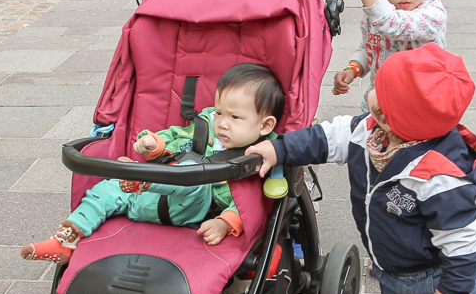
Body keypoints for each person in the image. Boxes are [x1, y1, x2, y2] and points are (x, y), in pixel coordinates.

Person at [247, 44, 476, 294]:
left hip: (435, 274)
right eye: (377, 92)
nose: (372, 104)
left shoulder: (439, 175)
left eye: (382, 107)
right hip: (390, 266)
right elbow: (325, 139)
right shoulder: (372, 131)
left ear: (407, 123)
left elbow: (460, 238)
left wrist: (457, 288)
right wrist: (278, 149)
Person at [21, 64, 283, 264]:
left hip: (188, 207)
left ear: (265, 125)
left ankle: (145, 177)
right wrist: (154, 144)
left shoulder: (257, 161)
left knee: (193, 178)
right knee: (106, 190)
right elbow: (176, 137)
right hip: (143, 198)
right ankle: (65, 241)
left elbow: (250, 207)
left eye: (235, 117)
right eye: (220, 112)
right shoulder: (203, 129)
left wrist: (225, 223)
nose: (223, 122)